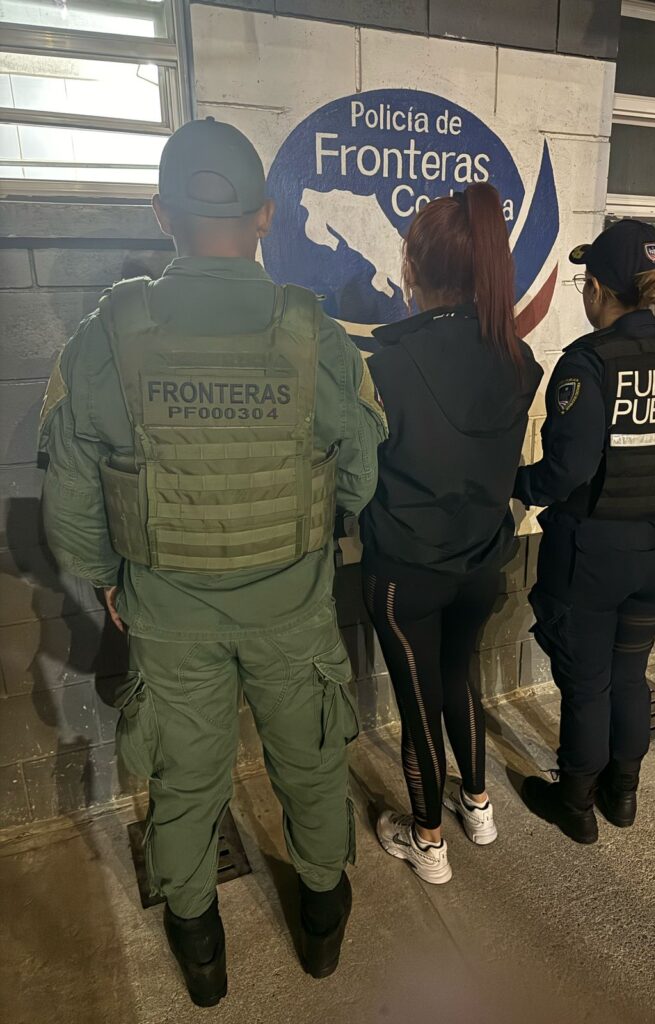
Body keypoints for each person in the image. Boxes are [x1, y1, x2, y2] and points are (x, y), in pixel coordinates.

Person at [38, 118, 387, 1007]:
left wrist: (110, 579)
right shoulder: (314, 333)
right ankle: (322, 928)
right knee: (310, 767)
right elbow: (360, 473)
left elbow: (71, 504)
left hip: (167, 614)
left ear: (163, 215)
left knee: (185, 783)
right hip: (292, 608)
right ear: (266, 215)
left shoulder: (105, 336)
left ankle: (201, 954)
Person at [360, 184, 543, 883]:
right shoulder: (518, 360)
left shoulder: (387, 368)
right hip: (482, 562)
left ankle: (428, 841)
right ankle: (478, 806)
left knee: (419, 705)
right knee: (460, 678)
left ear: (412, 268)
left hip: (407, 571)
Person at [514, 219, 655, 844]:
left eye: (584, 284)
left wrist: (516, 484)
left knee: (587, 685)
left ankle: (574, 803)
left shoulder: (587, 363)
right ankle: (622, 795)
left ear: (597, 288)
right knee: (630, 674)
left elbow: (566, 471)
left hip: (594, 555)